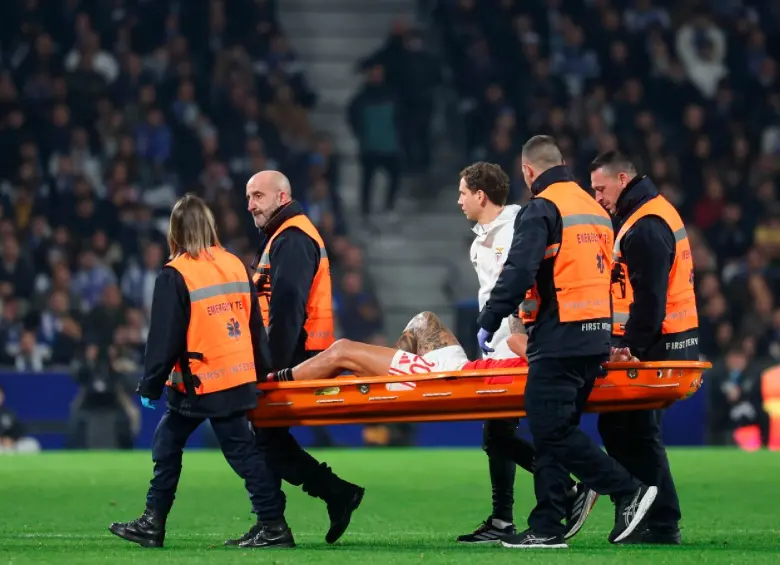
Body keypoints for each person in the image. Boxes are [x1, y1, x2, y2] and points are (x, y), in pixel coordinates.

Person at [476, 135, 658, 549]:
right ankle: (547, 525)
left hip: (560, 337)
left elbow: (520, 270)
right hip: (594, 336)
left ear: (527, 171)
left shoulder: (542, 208)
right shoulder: (593, 208)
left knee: (549, 429)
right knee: (555, 432)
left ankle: (627, 489)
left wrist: (490, 316)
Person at [108, 194, 293, 549]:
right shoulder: (234, 264)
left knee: (231, 452)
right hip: (237, 376)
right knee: (176, 440)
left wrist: (150, 384)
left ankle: (273, 525)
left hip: (202, 381)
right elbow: (255, 324)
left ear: (174, 231)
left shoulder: (176, 273)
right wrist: (264, 370)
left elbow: (164, 336)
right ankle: (155, 522)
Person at [454, 162, 597, 544]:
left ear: (480, 195)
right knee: (496, 433)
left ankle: (567, 491)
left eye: (463, 193)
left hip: (521, 351)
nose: (459, 200)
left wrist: (522, 340)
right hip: (500, 350)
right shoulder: (479, 241)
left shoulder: (520, 225)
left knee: (503, 435)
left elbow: (526, 282)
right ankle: (505, 518)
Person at [234, 170, 364, 547]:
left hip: (295, 356)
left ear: (282, 197)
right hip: (296, 353)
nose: (250, 205)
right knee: (268, 440)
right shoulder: (286, 235)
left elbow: (287, 309)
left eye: (258, 195)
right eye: (248, 197)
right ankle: (297, 510)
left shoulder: (291, 238)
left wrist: (273, 368)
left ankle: (288, 516)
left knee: (264, 441)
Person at [589, 150, 699, 544]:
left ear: (622, 179)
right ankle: (655, 517)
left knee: (627, 427)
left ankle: (655, 518)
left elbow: (650, 300)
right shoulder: (651, 214)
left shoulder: (645, 225)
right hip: (670, 338)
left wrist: (629, 346)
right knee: (633, 429)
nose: (597, 196)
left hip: (658, 343)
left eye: (601, 188)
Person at [266, 310, 528, 384]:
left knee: (342, 349)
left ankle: (278, 382)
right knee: (424, 321)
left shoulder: (546, 356)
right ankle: (388, 376)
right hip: (463, 368)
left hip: (448, 379)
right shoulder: (554, 357)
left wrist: (517, 303)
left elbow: (515, 341)